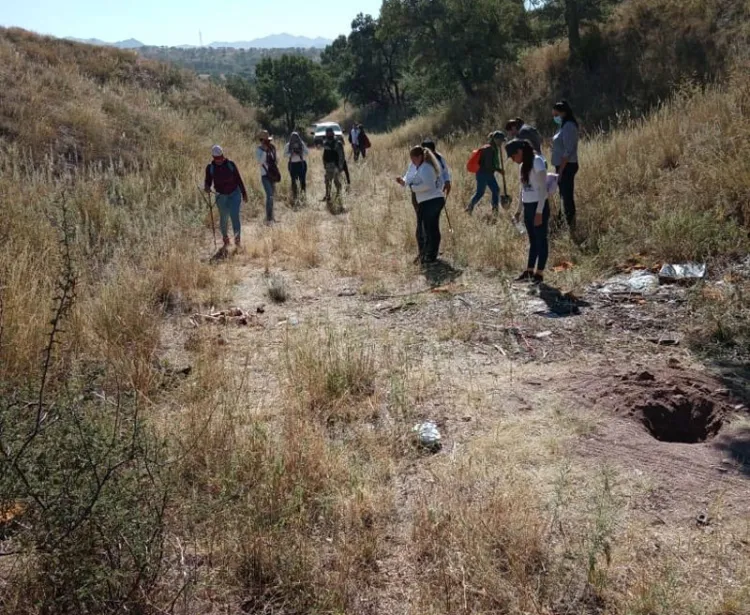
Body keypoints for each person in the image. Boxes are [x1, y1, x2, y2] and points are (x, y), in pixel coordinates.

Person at [506, 139, 550, 284]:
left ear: (520, 151)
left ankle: (539, 273)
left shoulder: (537, 161)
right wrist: (518, 210)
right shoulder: (523, 165)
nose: (513, 160)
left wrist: (539, 212)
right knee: (533, 240)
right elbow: (523, 189)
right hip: (528, 206)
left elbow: (543, 188)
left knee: (541, 240)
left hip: (539, 205)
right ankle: (529, 270)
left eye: (513, 156)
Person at [396, 145, 445, 265]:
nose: (412, 162)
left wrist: (413, 187)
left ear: (420, 157)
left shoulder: (426, 168)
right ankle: (425, 254)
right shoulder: (417, 166)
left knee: (430, 229)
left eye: (414, 159)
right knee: (423, 229)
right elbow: (409, 176)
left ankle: (431, 256)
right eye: (411, 160)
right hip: (424, 202)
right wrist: (404, 182)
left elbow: (428, 185)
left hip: (433, 201)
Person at [204, 145, 248, 251]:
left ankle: (237, 242)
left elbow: (238, 179)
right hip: (220, 196)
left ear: (222, 155)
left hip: (234, 194)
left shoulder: (230, 164)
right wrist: (207, 187)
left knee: (234, 216)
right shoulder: (210, 167)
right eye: (216, 158)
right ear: (213, 157)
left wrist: (244, 193)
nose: (218, 160)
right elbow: (208, 181)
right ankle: (226, 240)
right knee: (223, 219)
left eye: (219, 157)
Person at [551, 100, 579, 229]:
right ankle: (563, 219)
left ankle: (571, 223)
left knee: (567, 195)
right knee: (562, 194)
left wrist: (561, 170)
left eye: (556, 114)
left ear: (564, 112)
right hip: (561, 166)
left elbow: (568, 150)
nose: (554, 117)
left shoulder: (569, 126)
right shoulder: (562, 125)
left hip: (567, 166)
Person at [466, 131, 505, 214]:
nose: (501, 143)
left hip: (485, 174)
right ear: (495, 139)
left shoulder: (493, 148)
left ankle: (494, 211)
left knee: (490, 191)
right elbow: (488, 165)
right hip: (484, 174)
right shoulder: (488, 149)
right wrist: (499, 170)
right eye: (500, 141)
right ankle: (470, 208)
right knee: (485, 192)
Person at [256, 130, 278, 224]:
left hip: (272, 175)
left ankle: (271, 217)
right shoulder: (259, 150)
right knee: (269, 196)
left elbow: (276, 160)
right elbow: (260, 162)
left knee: (272, 196)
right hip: (265, 175)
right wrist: (265, 152)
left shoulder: (272, 148)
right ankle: (268, 219)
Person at [284, 132, 309, 202]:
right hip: (292, 165)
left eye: (296, 137)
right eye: (293, 137)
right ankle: (295, 197)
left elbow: (307, 152)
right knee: (293, 181)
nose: (294, 138)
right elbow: (285, 155)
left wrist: (300, 153)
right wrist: (291, 153)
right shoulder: (288, 145)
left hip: (301, 164)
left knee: (302, 181)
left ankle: (303, 197)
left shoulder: (302, 144)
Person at [322, 127, 345, 202]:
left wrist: (340, 166)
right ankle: (327, 195)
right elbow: (324, 155)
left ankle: (339, 196)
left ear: (332, 133)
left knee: (336, 181)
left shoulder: (337, 143)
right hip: (328, 165)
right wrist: (324, 164)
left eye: (330, 132)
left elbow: (341, 155)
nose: (328, 134)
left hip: (336, 165)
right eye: (327, 132)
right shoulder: (326, 143)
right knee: (327, 181)